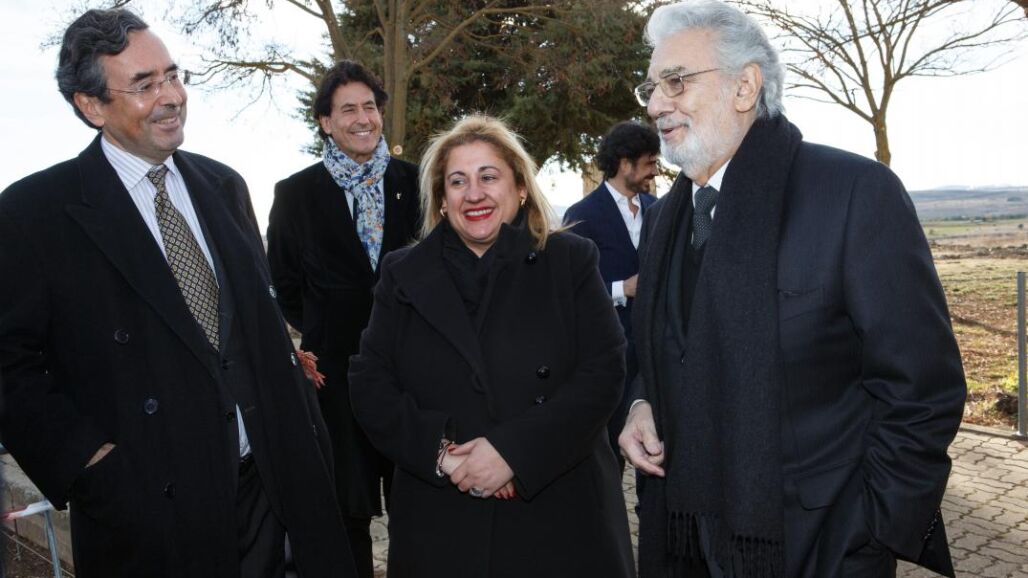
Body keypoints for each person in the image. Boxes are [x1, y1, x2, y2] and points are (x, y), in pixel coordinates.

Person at [0, 9, 355, 577]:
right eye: (144, 85)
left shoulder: (224, 184)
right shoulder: (33, 214)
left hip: (273, 492)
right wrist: (91, 466)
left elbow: (252, 329)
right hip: (152, 513)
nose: (172, 97)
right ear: (91, 106)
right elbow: (10, 369)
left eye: (172, 75)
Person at [618, 2, 967, 577]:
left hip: (819, 544)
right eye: (652, 87)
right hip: (683, 537)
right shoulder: (664, 219)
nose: (656, 105)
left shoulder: (853, 193)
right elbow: (666, 349)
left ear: (745, 87)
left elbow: (922, 389)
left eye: (676, 81)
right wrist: (640, 403)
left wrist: (870, 532)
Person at [348, 115, 635, 577]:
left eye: (488, 177)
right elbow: (370, 382)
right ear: (442, 200)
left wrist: (512, 453)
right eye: (457, 181)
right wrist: (441, 453)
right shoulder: (402, 274)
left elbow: (603, 372)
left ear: (520, 187)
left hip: (558, 509)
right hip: (444, 518)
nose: (474, 194)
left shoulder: (570, 260)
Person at [266, 59, 420, 578]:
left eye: (370, 107)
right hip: (335, 381)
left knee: (418, 505)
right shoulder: (295, 194)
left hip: (414, 377)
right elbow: (284, 282)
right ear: (326, 122)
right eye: (348, 109)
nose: (363, 119)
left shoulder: (418, 183)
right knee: (345, 510)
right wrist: (326, 330)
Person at [563, 120, 659, 467]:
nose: (655, 171)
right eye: (649, 163)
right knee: (605, 458)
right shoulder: (581, 215)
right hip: (606, 357)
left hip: (651, 358)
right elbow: (566, 291)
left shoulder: (658, 210)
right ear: (624, 163)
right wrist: (622, 288)